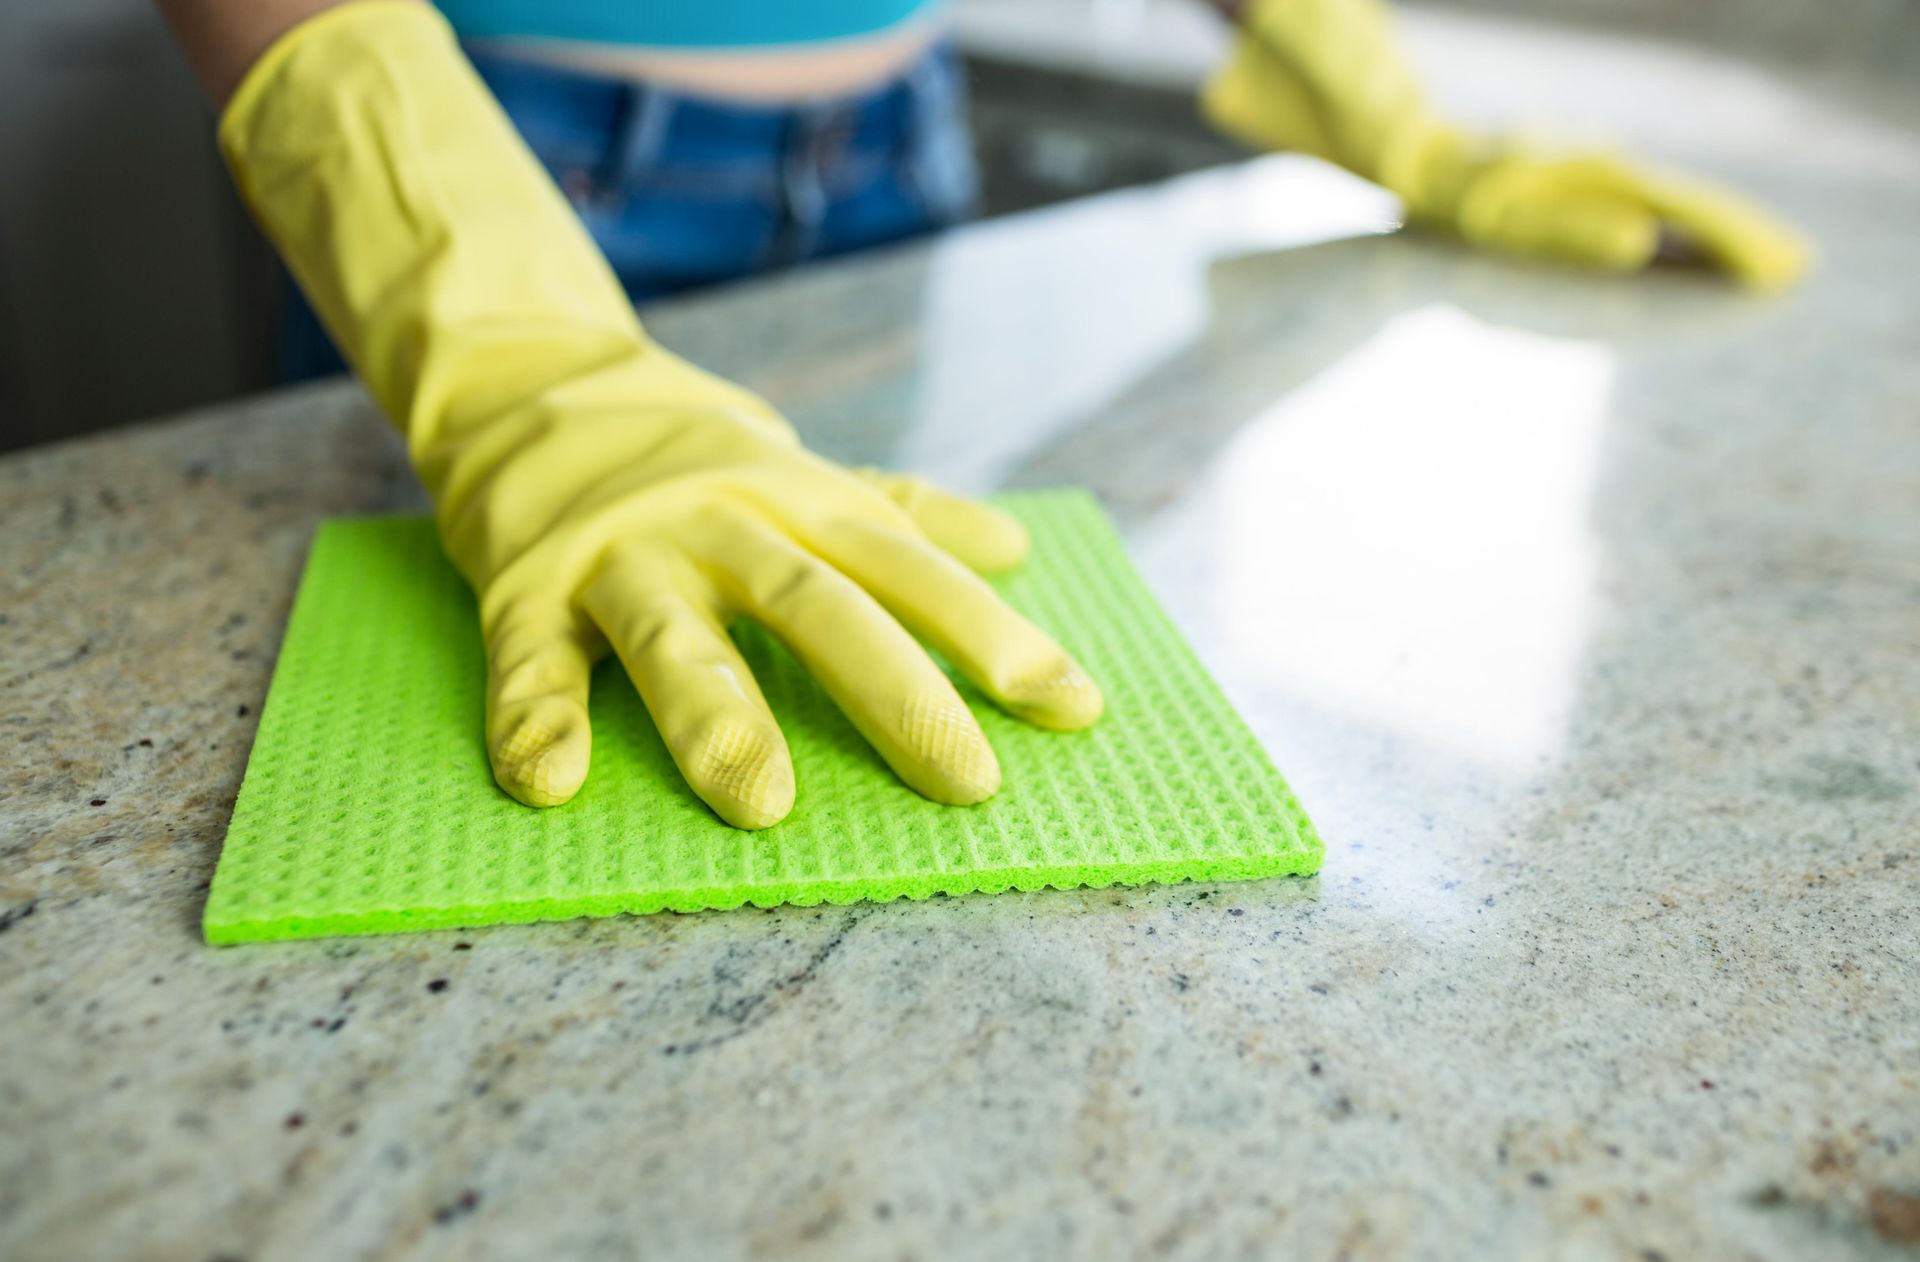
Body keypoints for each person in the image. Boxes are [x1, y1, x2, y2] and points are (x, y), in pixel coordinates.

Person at [156, 0, 1805, 830]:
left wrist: (1371, 97)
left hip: (898, 144)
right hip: (477, 164)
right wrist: (516, 355)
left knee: (836, 617)